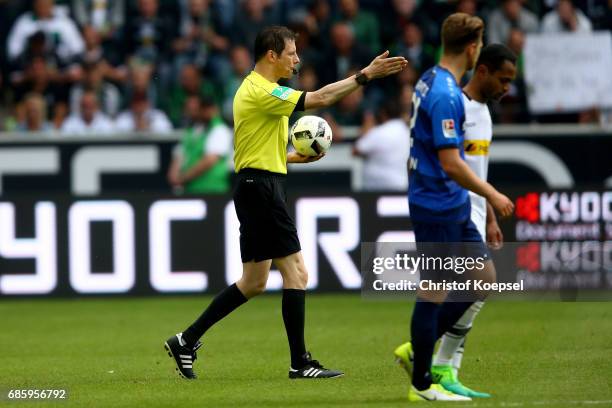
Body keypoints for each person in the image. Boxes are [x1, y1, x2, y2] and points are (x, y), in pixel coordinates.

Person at [164, 25, 407, 380]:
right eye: (291, 53)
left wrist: (292, 158)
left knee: (253, 282)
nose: (297, 59)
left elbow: (256, 147)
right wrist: (364, 75)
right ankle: (300, 363)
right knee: (297, 272)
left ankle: (186, 340)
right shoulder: (262, 91)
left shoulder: (259, 91)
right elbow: (321, 99)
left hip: (258, 183)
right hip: (261, 188)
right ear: (271, 56)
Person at [391, 13, 514, 402]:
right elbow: (452, 162)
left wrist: (486, 209)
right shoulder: (445, 94)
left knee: (483, 279)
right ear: (474, 47)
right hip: (437, 202)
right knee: (434, 292)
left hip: (455, 201)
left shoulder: (429, 78)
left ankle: (418, 349)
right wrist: (493, 196)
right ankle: (422, 383)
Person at [427, 44, 517, 398]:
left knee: (474, 292)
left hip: (478, 215)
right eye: (503, 79)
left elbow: (477, 170)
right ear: (482, 71)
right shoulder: (458, 107)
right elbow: (453, 168)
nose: (507, 88)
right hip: (457, 214)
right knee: (472, 289)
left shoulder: (484, 111)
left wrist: (490, 215)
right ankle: (431, 359)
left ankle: (445, 368)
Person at [167, 96, 232, 194]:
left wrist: (182, 178)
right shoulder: (191, 131)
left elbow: (209, 160)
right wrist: (174, 176)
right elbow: (180, 155)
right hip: (191, 190)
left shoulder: (220, 129)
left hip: (213, 190)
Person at [352, 99, 410, 191]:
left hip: (380, 190)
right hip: (402, 186)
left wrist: (366, 129)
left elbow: (356, 150)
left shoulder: (379, 132)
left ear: (383, 113)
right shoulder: (407, 132)